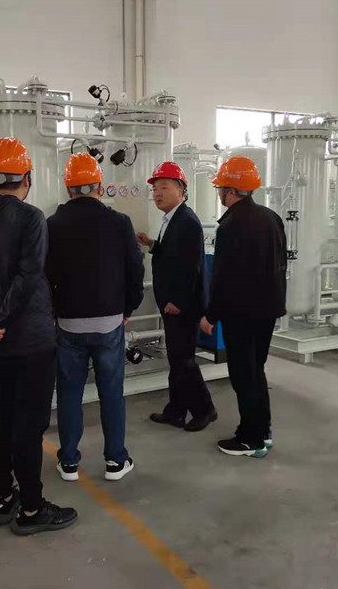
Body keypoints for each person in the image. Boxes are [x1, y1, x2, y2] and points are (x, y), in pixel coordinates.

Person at [0, 137, 77, 536]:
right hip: (30, 339)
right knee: (29, 424)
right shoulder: (31, 217)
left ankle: (3, 497)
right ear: (27, 178)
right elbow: (28, 275)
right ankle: (32, 508)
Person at [46, 152, 144, 482]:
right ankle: (116, 460)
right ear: (99, 187)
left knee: (69, 393)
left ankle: (69, 462)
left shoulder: (52, 224)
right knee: (111, 392)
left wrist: (54, 311)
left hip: (68, 323)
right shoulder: (120, 222)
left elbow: (44, 274)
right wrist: (128, 309)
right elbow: (134, 269)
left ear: (68, 188)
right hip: (110, 322)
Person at [200, 156, 287, 458]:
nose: (218, 193)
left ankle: (251, 439)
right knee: (256, 370)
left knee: (243, 375)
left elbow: (223, 277)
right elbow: (280, 264)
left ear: (231, 190)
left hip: (242, 313)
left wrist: (211, 315)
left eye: (220, 188)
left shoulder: (231, 225)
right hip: (268, 310)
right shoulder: (271, 218)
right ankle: (263, 430)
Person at [137, 162, 216, 432]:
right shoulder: (173, 219)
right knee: (177, 360)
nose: (157, 194)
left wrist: (178, 302)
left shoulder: (187, 221)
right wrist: (152, 244)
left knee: (184, 361)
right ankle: (176, 411)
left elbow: (191, 268)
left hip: (182, 306)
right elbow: (173, 255)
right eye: (155, 189)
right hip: (173, 304)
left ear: (181, 190)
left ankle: (205, 410)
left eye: (164, 187)